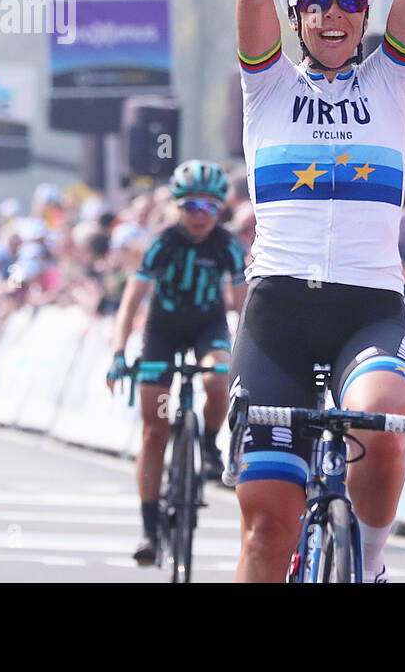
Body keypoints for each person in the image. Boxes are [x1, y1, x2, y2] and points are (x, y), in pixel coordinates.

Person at [227, 0, 405, 583]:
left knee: (380, 426)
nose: (334, 15)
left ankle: (371, 563)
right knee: (266, 528)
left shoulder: (391, 80)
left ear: (365, 13)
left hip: (366, 306)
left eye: (350, 1)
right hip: (278, 313)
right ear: (297, 14)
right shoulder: (267, 84)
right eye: (316, 1)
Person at [106, 159, 247, 566]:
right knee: (155, 431)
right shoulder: (163, 242)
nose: (200, 216)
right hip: (162, 332)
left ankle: (209, 443)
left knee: (218, 379)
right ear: (178, 207)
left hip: (207, 327)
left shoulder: (226, 245)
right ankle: (150, 531)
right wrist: (118, 352)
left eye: (210, 207)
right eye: (190, 206)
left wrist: (248, 354)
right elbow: (131, 300)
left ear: (220, 209)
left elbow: (243, 307)